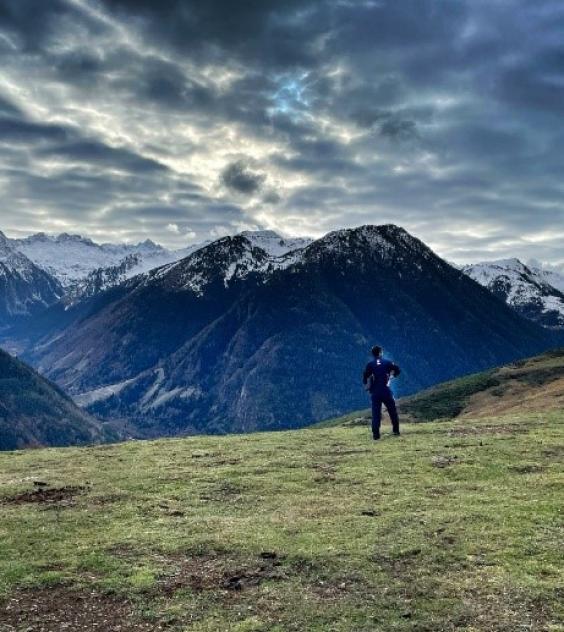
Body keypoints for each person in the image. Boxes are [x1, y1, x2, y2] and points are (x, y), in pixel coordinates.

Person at [362, 345, 401, 440]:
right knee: (392, 411)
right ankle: (396, 431)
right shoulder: (387, 362)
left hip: (375, 392)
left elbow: (365, 377)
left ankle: (376, 435)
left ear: (373, 354)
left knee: (376, 413)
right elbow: (397, 370)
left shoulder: (370, 364)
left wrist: (368, 384)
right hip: (385, 390)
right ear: (380, 353)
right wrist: (392, 375)